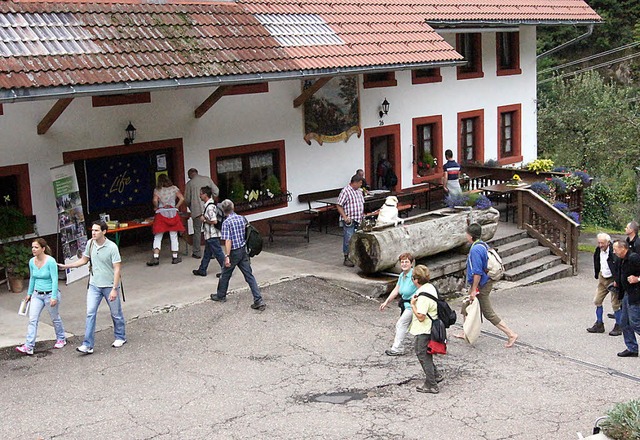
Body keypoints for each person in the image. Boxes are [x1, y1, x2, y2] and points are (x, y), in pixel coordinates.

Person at [59, 220, 126, 354]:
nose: (93, 233)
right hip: (94, 285)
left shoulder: (112, 247)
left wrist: (114, 288)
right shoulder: (90, 244)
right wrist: (68, 266)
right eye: (92, 230)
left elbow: (117, 269)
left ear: (104, 232)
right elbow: (84, 260)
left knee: (116, 314)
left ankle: (120, 336)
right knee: (90, 313)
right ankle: (87, 344)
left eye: (96, 230)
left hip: (109, 285)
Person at [456, 223, 518, 348]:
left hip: (481, 284)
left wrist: (474, 289)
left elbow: (477, 272)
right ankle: (465, 331)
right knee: (466, 305)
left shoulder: (475, 249)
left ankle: (510, 334)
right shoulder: (482, 244)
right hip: (483, 282)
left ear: (470, 235)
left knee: (487, 312)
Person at [210, 199, 266, 310]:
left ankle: (221, 295)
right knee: (249, 276)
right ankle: (258, 299)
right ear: (233, 207)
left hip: (234, 252)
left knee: (225, 274)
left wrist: (227, 256)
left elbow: (228, 241)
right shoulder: (242, 218)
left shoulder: (226, 222)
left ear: (223, 210)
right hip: (243, 250)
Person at [15, 238, 66, 355]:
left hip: (49, 294)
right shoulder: (32, 262)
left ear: (43, 249)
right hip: (37, 294)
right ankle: (29, 346)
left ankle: (61, 338)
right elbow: (32, 278)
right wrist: (29, 294)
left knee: (55, 317)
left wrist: (54, 296)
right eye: (32, 247)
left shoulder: (51, 261)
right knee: (32, 319)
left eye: (36, 247)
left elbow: (54, 280)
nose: (33, 249)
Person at [408, 264, 443, 394]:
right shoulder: (430, 287)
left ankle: (431, 384)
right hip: (431, 326)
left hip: (425, 329)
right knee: (424, 353)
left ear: (416, 280)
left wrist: (413, 305)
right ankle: (435, 375)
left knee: (423, 354)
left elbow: (421, 316)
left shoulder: (422, 297)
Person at [379, 253, 418, 356]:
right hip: (406, 305)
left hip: (413, 305)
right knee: (406, 325)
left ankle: (397, 348)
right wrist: (386, 302)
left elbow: (421, 287)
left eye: (406, 262)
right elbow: (396, 290)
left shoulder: (414, 275)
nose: (404, 264)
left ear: (411, 263)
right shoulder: (402, 275)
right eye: (402, 262)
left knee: (401, 324)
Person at [587, 233, 621, 336]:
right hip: (603, 278)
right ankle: (599, 324)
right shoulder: (598, 250)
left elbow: (619, 266)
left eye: (602, 243)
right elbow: (596, 260)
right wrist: (597, 273)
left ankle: (619, 326)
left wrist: (617, 280)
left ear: (608, 243)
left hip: (613, 278)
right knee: (597, 300)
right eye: (599, 243)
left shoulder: (613, 251)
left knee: (615, 304)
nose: (600, 245)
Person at [147, 174, 185, 266]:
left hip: (161, 213)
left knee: (158, 235)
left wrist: (156, 207)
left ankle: (156, 257)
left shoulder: (157, 190)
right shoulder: (174, 188)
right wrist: (176, 206)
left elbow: (155, 200)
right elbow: (182, 198)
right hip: (172, 212)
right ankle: (175, 256)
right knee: (173, 235)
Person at [612, 240, 640, 357]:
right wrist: (617, 282)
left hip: (636, 294)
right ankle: (632, 348)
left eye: (615, 249)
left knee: (636, 323)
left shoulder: (634, 258)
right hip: (626, 294)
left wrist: (638, 279)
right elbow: (620, 273)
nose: (614, 252)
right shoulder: (621, 259)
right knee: (624, 322)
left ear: (623, 248)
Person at [184, 168, 217, 259]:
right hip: (209, 208)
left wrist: (191, 207)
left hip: (196, 210)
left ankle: (197, 252)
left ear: (190, 175)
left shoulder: (189, 184)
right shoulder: (207, 179)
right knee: (210, 230)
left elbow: (186, 199)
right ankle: (213, 252)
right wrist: (211, 199)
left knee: (197, 231)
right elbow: (216, 191)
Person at [192, 186, 224, 278]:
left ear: (205, 195)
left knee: (218, 253)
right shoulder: (210, 205)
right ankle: (202, 269)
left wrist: (204, 220)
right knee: (207, 253)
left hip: (212, 234)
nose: (200, 195)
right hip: (210, 234)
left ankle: (226, 270)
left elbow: (214, 221)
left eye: (201, 194)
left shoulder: (209, 207)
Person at [336, 174, 365, 267]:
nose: (361, 185)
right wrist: (344, 217)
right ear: (355, 182)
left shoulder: (359, 191)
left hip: (358, 218)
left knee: (357, 238)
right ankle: (347, 257)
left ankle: (355, 256)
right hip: (350, 219)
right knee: (348, 238)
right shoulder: (345, 191)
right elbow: (339, 205)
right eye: (360, 183)